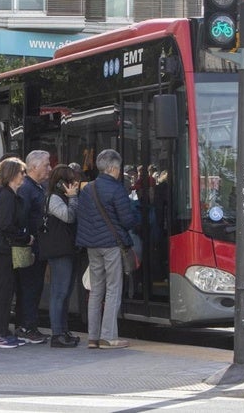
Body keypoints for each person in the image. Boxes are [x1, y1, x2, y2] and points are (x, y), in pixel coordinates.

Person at [76, 149, 137, 349]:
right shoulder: (116, 189)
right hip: (111, 245)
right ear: (112, 168)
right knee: (113, 289)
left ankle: (93, 337)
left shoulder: (87, 189)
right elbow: (127, 220)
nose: (119, 172)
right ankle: (108, 336)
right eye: (118, 168)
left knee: (95, 290)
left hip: (91, 246)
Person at [0, 157, 30, 349]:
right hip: (0, 250)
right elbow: (5, 225)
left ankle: (1, 331)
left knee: (6, 291)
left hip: (3, 249)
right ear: (12, 174)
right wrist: (24, 237)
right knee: (3, 292)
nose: (24, 176)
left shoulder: (9, 195)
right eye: (22, 172)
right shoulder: (7, 196)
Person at [15, 150, 53, 345]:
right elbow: (22, 217)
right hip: (30, 247)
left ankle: (28, 325)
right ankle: (27, 326)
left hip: (36, 246)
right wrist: (28, 239)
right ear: (33, 167)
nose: (49, 168)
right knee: (30, 287)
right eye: (46, 165)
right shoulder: (27, 189)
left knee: (33, 287)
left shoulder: (35, 187)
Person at [44, 164, 80, 348]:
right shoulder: (54, 199)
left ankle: (63, 330)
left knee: (65, 293)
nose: (74, 185)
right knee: (59, 292)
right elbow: (68, 217)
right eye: (71, 181)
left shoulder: (60, 197)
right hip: (59, 251)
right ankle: (57, 334)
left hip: (67, 249)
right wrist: (73, 198)